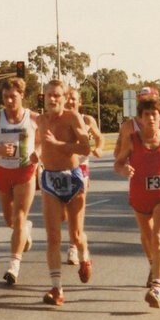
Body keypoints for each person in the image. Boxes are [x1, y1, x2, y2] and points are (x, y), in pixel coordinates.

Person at [114, 87, 160, 308]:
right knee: (146, 238)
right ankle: (156, 265)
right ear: (140, 115)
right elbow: (118, 159)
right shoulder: (131, 133)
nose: (151, 117)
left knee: (157, 237)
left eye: (155, 112)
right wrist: (124, 168)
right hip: (139, 194)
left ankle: (156, 286)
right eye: (146, 112)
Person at [37, 79, 91, 306]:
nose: (52, 99)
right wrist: (35, 153)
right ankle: (57, 289)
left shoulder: (72, 118)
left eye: (57, 95)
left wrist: (59, 144)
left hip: (72, 178)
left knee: (76, 234)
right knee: (52, 236)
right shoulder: (40, 120)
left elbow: (85, 148)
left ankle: (85, 257)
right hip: (50, 179)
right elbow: (39, 143)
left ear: (64, 97)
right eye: (49, 95)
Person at [0, 78, 39, 285]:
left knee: (18, 216)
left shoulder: (34, 118)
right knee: (9, 220)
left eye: (13, 97)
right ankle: (25, 229)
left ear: (22, 96)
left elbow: (45, 139)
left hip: (25, 170)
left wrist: (38, 153)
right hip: (3, 170)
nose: (9, 101)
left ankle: (14, 265)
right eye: (5, 97)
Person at [63, 87, 104, 267]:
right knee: (63, 213)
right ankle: (76, 238)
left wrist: (99, 148)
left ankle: (73, 246)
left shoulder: (87, 120)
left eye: (74, 99)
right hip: (61, 167)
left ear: (80, 102)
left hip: (81, 168)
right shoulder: (59, 120)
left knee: (77, 210)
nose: (70, 101)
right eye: (68, 98)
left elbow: (99, 137)